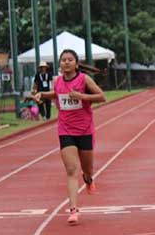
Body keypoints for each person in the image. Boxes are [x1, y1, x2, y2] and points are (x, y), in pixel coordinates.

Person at [33, 49, 105, 225]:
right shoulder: (57, 81)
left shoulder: (84, 79)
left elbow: (101, 96)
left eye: (70, 60)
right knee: (72, 170)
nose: (66, 62)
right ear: (60, 64)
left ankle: (88, 178)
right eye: (63, 60)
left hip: (85, 130)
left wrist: (82, 96)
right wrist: (42, 94)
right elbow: (56, 94)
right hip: (65, 130)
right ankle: (73, 210)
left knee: (87, 169)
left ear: (76, 63)